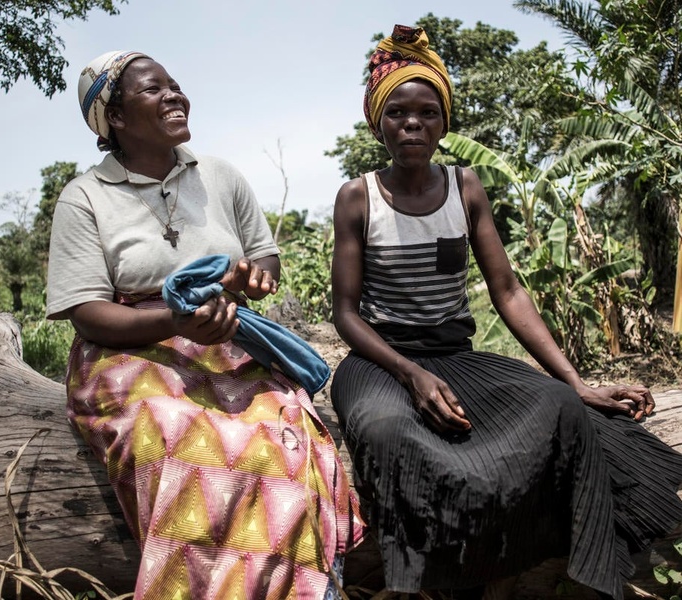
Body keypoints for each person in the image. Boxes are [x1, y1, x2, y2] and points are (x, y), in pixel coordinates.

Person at [330, 25, 682, 600]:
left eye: (426, 112)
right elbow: (346, 313)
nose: (412, 124)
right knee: (385, 431)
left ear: (444, 123)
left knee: (562, 410)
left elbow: (508, 292)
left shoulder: (464, 187)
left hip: (456, 357)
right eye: (397, 112)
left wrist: (575, 380)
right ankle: (421, 582)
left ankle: (542, 569)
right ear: (378, 122)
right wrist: (410, 373)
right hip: (380, 360)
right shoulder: (357, 196)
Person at [47, 50, 363, 600]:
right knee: (173, 435)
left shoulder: (219, 176)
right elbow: (87, 312)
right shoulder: (85, 197)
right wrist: (177, 321)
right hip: (129, 352)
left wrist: (248, 281)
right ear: (115, 118)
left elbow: (265, 261)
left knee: (279, 442)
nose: (174, 94)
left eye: (174, 84)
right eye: (153, 89)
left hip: (226, 337)